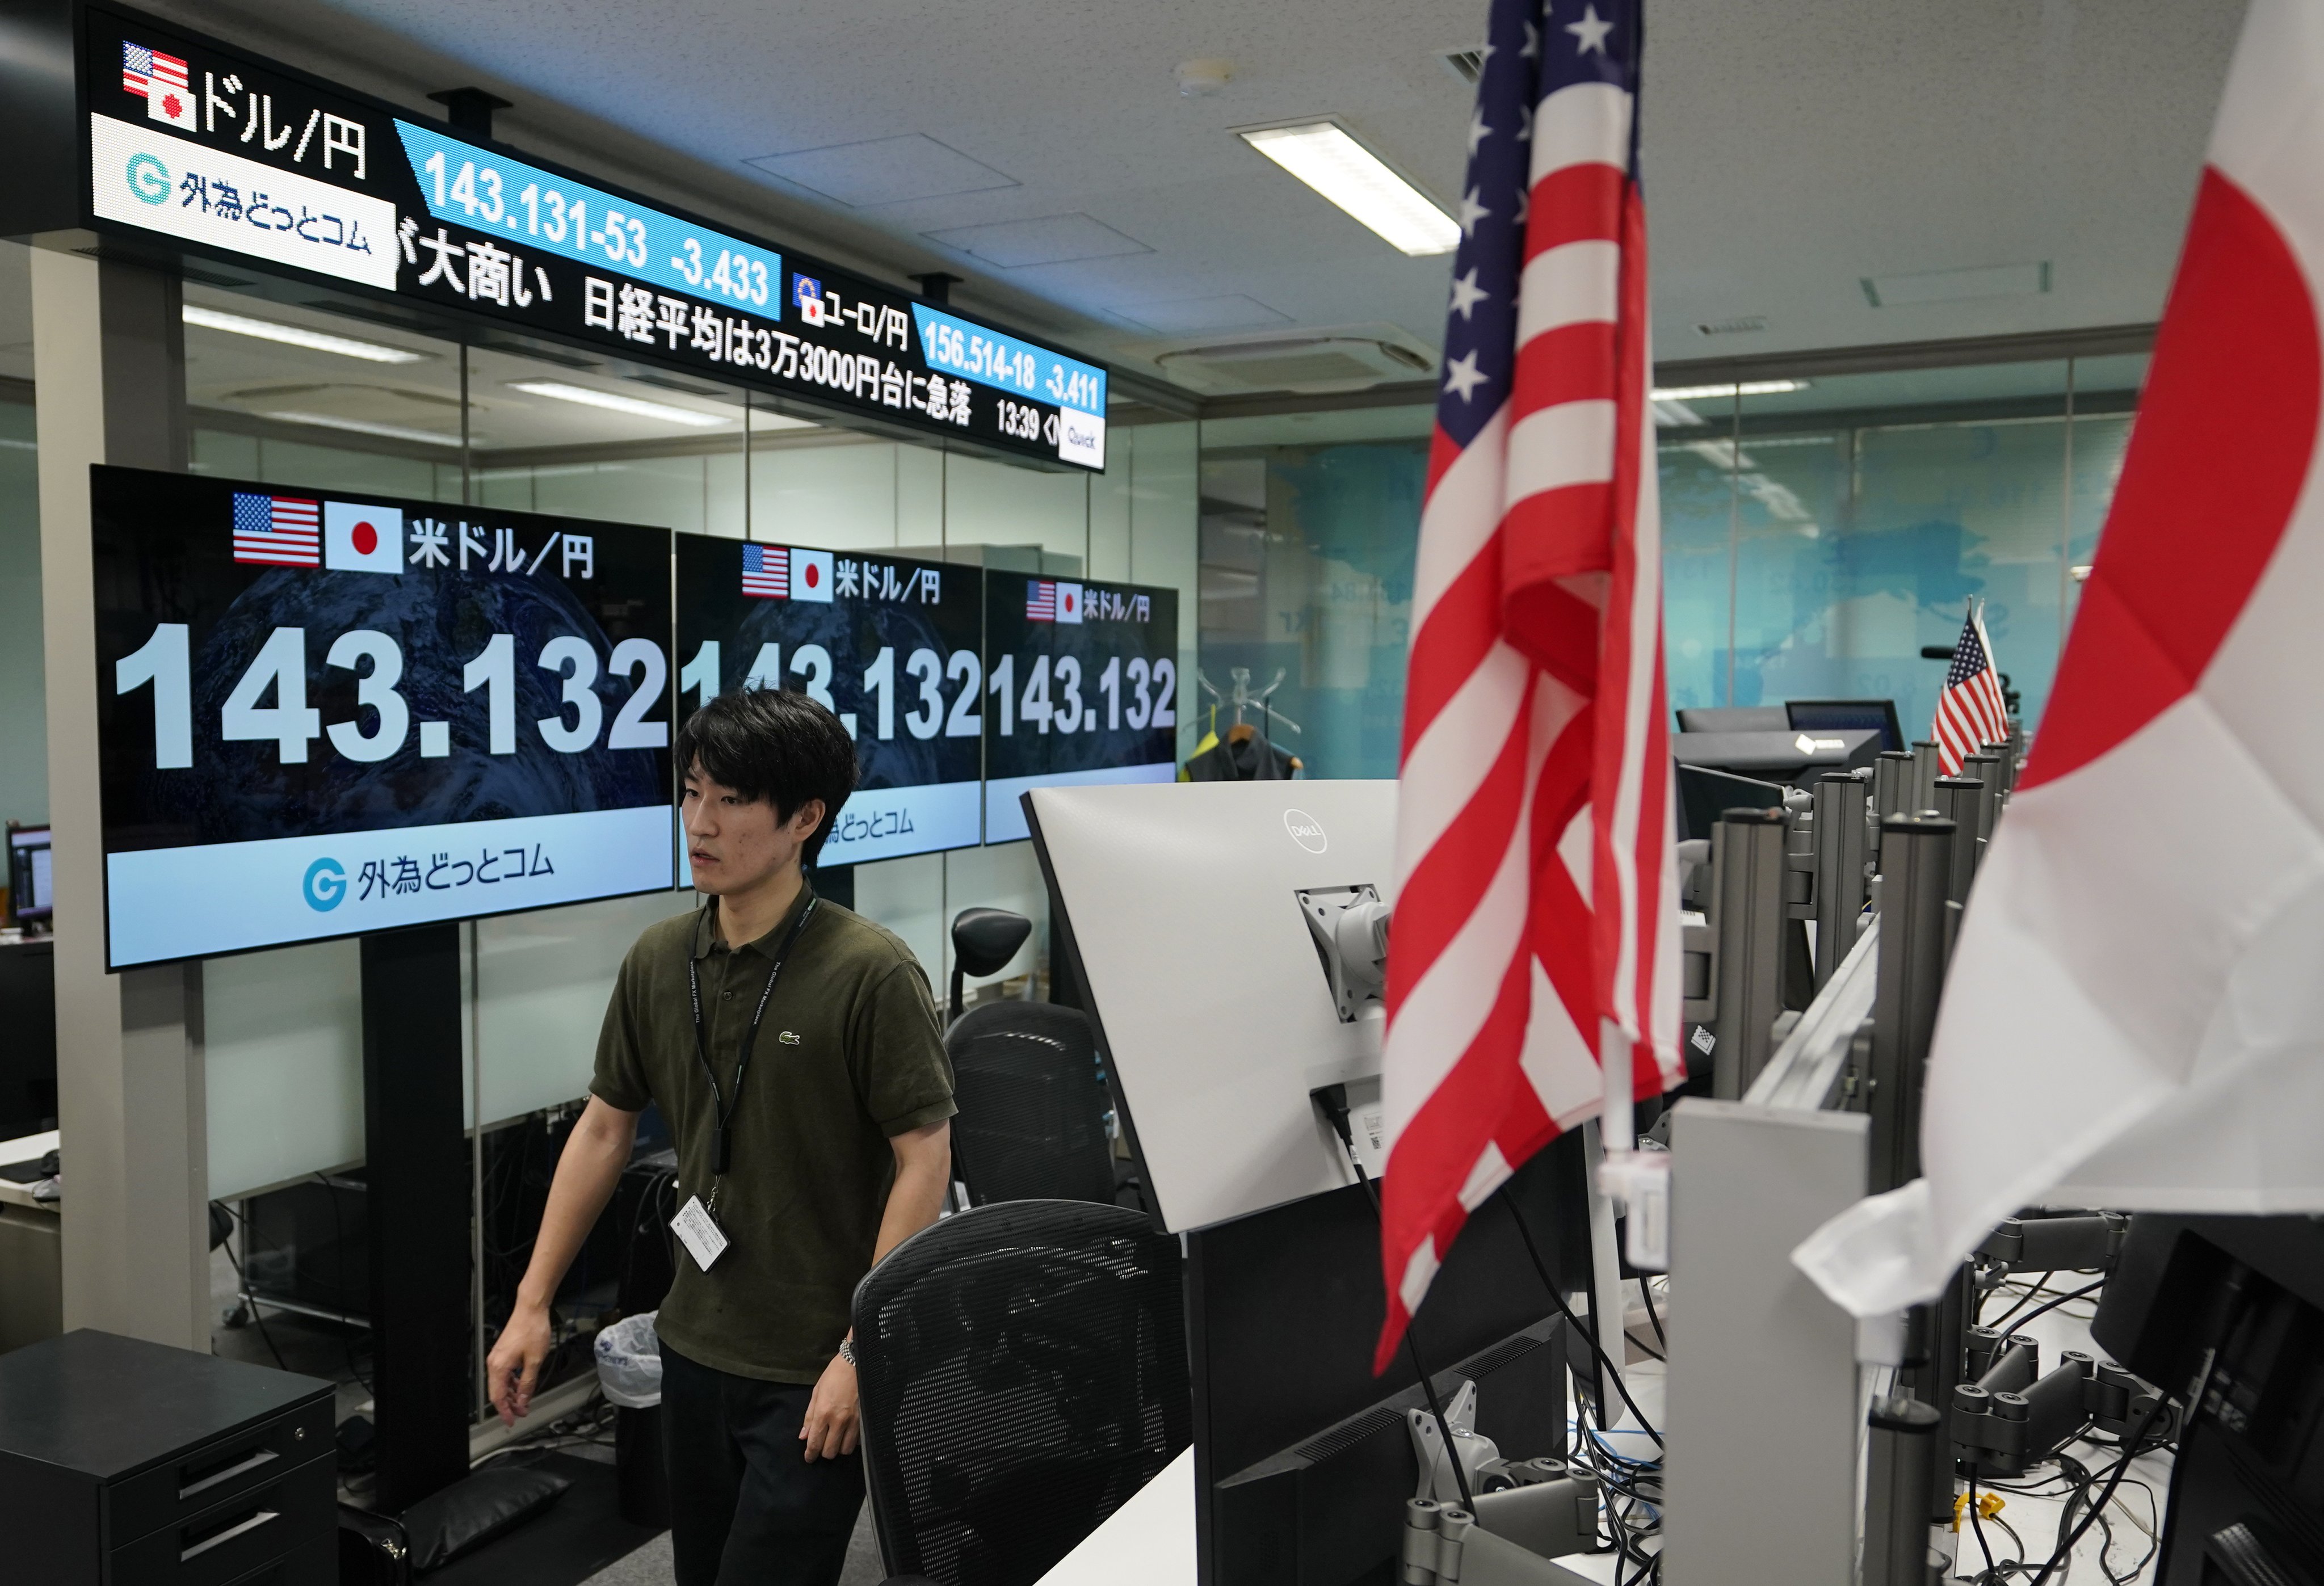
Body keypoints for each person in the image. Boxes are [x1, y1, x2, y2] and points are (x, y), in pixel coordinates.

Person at [485, 687, 955, 1586]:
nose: (700, 822)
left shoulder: (870, 970)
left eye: (732, 800)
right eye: (693, 792)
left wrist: (864, 1349)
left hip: (817, 1359)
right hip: (694, 1342)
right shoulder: (660, 960)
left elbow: (923, 1159)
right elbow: (603, 1129)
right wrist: (533, 1301)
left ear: (805, 819)